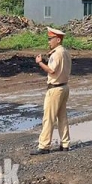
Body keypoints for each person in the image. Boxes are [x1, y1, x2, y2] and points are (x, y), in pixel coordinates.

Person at [30, 27, 72, 155]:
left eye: (50, 39)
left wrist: (40, 63)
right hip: (64, 87)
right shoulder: (65, 52)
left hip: (55, 89)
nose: (49, 42)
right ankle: (65, 144)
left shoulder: (56, 53)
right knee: (62, 117)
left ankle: (44, 146)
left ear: (58, 40)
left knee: (48, 118)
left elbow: (52, 70)